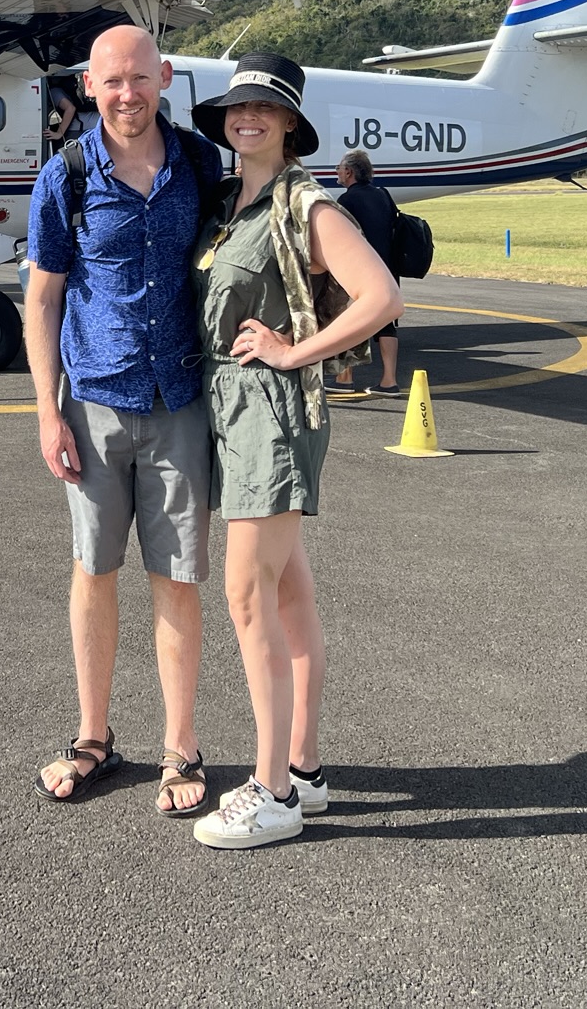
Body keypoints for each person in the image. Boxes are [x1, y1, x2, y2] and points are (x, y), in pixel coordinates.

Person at [185, 52, 402, 849]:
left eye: (265, 109)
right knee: (286, 595)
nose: (248, 118)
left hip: (270, 414)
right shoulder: (228, 201)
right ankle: (304, 768)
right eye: (238, 107)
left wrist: (292, 351)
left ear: (288, 125)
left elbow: (382, 296)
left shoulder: (305, 203)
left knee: (248, 596)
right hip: (229, 407)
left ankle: (271, 791)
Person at [25, 25, 225, 817]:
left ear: (165, 77)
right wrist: (47, 412)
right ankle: (93, 737)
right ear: (89, 87)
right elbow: (43, 299)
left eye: (139, 78)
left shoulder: (202, 167)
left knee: (177, 580)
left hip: (179, 401)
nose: (126, 94)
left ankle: (182, 748)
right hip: (94, 404)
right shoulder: (65, 176)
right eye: (111, 81)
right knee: (94, 571)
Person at [331, 149, 402, 396]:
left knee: (350, 320)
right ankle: (389, 381)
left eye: (340, 168)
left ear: (349, 172)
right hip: (388, 268)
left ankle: (345, 378)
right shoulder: (383, 194)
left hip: (359, 270)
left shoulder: (346, 200)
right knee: (387, 325)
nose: (337, 172)